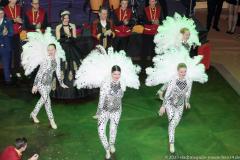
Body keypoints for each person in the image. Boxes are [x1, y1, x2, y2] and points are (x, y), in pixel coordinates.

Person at [30, 44, 68, 129]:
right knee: (47, 100)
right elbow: (39, 73)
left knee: (42, 100)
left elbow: (58, 73)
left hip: (48, 84)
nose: (50, 51)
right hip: (40, 83)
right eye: (48, 50)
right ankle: (52, 120)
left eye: (52, 49)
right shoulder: (45, 60)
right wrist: (35, 85)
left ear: (55, 50)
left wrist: (61, 83)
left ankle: (33, 114)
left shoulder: (57, 59)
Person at [52, 10, 87, 99]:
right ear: (61, 18)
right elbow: (58, 40)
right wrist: (65, 38)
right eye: (65, 18)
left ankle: (77, 90)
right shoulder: (58, 27)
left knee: (75, 66)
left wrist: (70, 37)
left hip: (72, 48)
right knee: (62, 68)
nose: (67, 19)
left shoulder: (72, 26)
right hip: (63, 49)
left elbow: (75, 38)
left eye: (68, 18)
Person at [158, 63, 192, 153]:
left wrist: (187, 101)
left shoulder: (189, 80)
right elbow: (167, 94)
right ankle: (171, 143)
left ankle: (171, 138)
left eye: (185, 71)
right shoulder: (173, 80)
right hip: (170, 103)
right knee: (172, 123)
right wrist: (163, 106)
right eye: (181, 71)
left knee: (174, 123)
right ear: (178, 71)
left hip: (180, 105)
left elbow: (188, 92)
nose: (183, 73)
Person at [4, 0, 23, 78]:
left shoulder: (19, 8)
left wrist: (20, 20)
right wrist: (14, 20)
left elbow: (22, 19)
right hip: (8, 34)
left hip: (17, 33)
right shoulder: (4, 9)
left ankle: (17, 70)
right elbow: (4, 21)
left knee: (17, 53)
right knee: (9, 53)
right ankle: (8, 71)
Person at [0, 7, 13, 84]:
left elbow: (11, 33)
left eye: (2, 13)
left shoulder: (8, 21)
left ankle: (8, 81)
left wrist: (7, 33)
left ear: (4, 13)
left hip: (5, 47)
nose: (0, 14)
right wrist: (3, 34)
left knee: (6, 65)